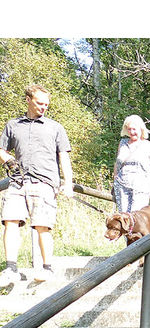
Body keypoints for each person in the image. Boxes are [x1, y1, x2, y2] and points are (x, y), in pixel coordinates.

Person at [0, 84, 73, 288]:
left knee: (42, 225)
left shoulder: (55, 127)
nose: (43, 107)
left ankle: (47, 267)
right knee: (10, 220)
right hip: (17, 181)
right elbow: (1, 149)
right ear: (28, 100)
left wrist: (68, 183)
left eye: (46, 104)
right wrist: (8, 160)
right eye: (39, 103)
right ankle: (11, 268)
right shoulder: (13, 125)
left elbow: (64, 157)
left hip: (45, 182)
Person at [112, 114, 150, 214]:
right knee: (123, 218)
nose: (132, 132)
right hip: (122, 186)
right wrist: (115, 179)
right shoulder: (122, 143)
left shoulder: (148, 146)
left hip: (141, 187)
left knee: (136, 218)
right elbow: (118, 163)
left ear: (141, 129)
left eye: (134, 129)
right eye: (129, 129)